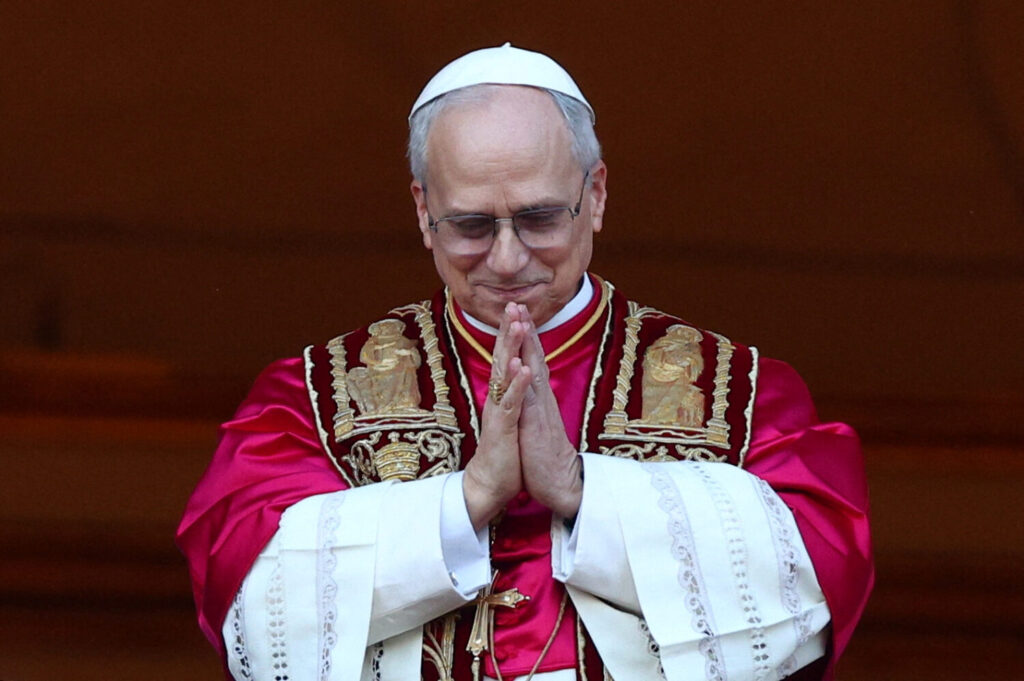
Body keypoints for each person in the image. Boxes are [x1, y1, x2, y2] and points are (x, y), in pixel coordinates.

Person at [177, 44, 873, 681]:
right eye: (473, 225)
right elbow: (247, 596)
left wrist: (580, 490)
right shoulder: (314, 399)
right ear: (423, 211)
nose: (508, 259)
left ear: (595, 195)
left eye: (540, 218)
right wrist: (467, 499)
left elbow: (815, 573)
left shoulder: (738, 392)